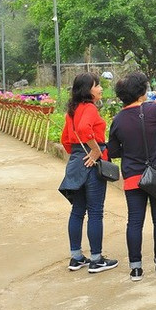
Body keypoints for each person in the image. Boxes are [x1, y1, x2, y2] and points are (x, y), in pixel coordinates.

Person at [107, 72, 156, 281]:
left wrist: (130, 151)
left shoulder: (118, 119)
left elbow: (113, 151)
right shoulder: (154, 110)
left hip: (133, 177)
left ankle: (136, 269)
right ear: (142, 92)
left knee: (134, 221)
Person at [58, 73, 118, 274]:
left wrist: (77, 156)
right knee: (95, 212)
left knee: (77, 212)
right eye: (97, 85)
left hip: (76, 162)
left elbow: (66, 140)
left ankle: (76, 257)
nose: (100, 88)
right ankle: (96, 259)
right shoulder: (90, 108)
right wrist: (95, 151)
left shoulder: (72, 111)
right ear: (87, 90)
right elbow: (85, 129)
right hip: (91, 163)